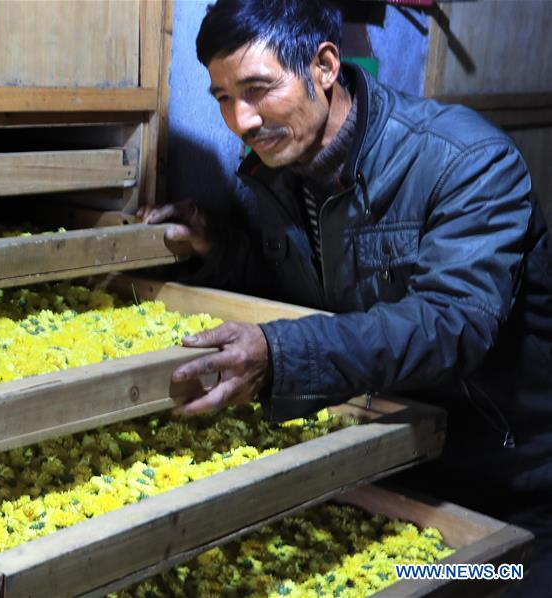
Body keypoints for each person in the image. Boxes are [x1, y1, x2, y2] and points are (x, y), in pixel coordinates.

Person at [140, 0, 552, 592]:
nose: (242, 121)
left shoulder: (466, 160)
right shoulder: (277, 168)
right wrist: (217, 246)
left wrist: (280, 354)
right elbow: (306, 280)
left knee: (491, 579)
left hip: (500, 477)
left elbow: (451, 324)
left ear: (325, 66)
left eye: (258, 89)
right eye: (223, 98)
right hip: (390, 453)